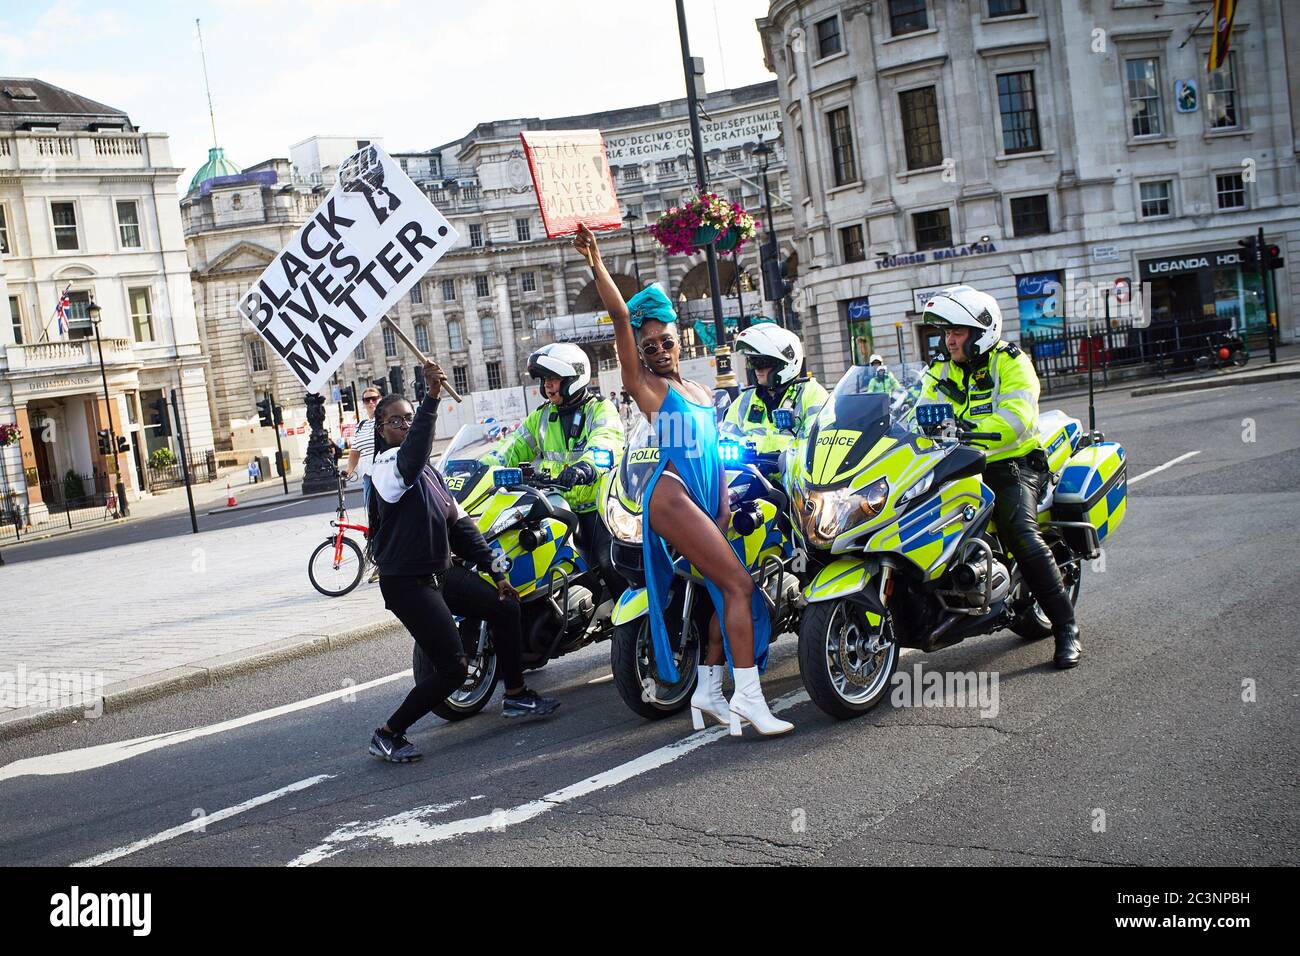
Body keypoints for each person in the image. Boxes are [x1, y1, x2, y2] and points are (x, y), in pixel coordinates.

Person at [574, 223, 791, 737]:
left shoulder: (696, 389)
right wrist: (597, 263)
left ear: (679, 340)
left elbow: (713, 453)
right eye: (647, 347)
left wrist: (719, 505)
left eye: (664, 342)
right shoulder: (647, 389)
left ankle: (709, 693)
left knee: (725, 591)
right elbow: (621, 318)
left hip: (701, 501)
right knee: (738, 587)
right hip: (669, 498)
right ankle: (749, 702)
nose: (656, 351)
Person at [366, 363, 559, 763]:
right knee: (453, 669)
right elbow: (411, 456)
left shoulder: (431, 475)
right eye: (396, 421)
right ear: (381, 430)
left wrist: (496, 570)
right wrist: (431, 400)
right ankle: (388, 733)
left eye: (408, 418)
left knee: (506, 606)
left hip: (440, 573)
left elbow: (462, 526)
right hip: (407, 582)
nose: (404, 425)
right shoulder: (385, 468)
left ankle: (517, 696)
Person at [916, 285, 1082, 669]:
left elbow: (1017, 417)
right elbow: (918, 408)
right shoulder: (940, 368)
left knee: (1020, 536)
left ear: (981, 331)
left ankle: (1066, 627)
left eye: (957, 331)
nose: (950, 339)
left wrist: (965, 428)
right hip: (953, 464)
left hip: (1011, 465)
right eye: (947, 332)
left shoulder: (1011, 362)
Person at [484, 342, 626, 603]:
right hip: (554, 506)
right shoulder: (542, 417)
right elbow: (512, 446)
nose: (548, 385)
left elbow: (607, 441)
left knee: (609, 563)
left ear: (574, 377)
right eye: (545, 379)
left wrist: (585, 467)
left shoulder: (599, 409)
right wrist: (483, 467)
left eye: (554, 379)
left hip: (597, 508)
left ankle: (629, 622)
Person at [727, 323, 828, 456]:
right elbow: (726, 438)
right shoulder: (744, 400)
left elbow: (820, 440)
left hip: (796, 475)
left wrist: (785, 457)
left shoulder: (811, 393)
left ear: (785, 363)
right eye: (753, 362)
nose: (757, 369)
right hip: (753, 474)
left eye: (762, 363)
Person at [341, 385, 382, 582]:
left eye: (374, 398)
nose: (371, 402)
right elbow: (355, 451)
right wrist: (348, 471)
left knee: (387, 518)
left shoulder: (385, 421)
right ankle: (380, 564)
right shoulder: (362, 426)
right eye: (367, 400)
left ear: (380, 399)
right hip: (368, 478)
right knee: (373, 521)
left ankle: (388, 562)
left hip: (385, 475)